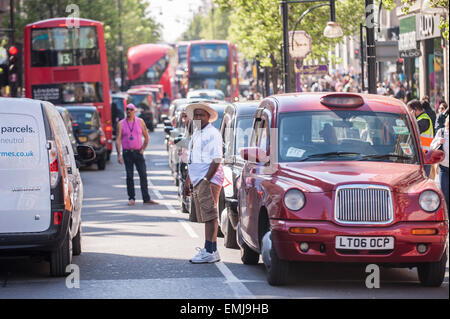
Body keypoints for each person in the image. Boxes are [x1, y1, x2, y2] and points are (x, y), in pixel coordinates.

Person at [184, 103, 224, 264]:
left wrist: (207, 179)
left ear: (208, 117)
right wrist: (188, 180)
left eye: (202, 115)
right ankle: (210, 249)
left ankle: (210, 250)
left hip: (209, 179)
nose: (199, 118)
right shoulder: (197, 133)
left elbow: (217, 159)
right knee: (206, 215)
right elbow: (192, 158)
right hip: (198, 178)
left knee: (210, 215)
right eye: (196, 115)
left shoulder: (212, 133)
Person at [116, 104, 158, 206]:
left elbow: (146, 137)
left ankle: (146, 198)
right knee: (129, 176)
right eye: (127, 110)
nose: (129, 111)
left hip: (138, 152)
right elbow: (117, 139)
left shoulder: (140, 122)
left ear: (134, 111)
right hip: (127, 153)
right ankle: (131, 198)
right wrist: (119, 155)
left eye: (131, 110)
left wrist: (143, 149)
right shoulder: (121, 123)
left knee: (143, 175)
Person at [407, 99, 434, 176]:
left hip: (424, 156)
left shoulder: (424, 119)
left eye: (410, 111)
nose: (409, 113)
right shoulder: (420, 118)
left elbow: (412, 130)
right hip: (421, 155)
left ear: (415, 110)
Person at [430, 116, 449, 209]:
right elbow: (432, 146)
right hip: (443, 167)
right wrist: (438, 142)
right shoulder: (441, 132)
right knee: (444, 193)